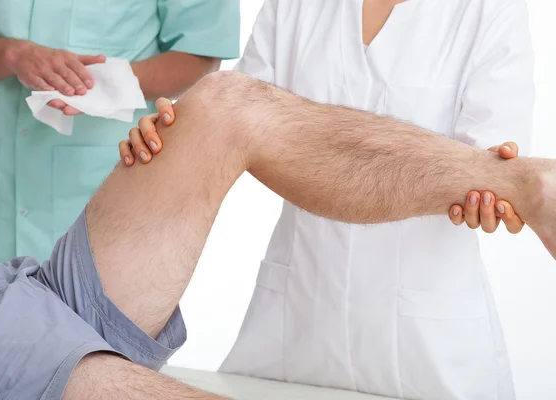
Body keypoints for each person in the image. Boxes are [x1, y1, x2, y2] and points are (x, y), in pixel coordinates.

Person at [0, 71, 555, 400]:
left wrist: (165, 117)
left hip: (19, 292)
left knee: (226, 103)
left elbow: (255, 95)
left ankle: (536, 184)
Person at [181, 1, 533, 399]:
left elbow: (494, 170)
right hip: (300, 316)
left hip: (428, 337)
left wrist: (301, 147)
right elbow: (234, 122)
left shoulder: (488, 9)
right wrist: (173, 131)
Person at [0, 0, 240, 267]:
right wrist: (11, 55)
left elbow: (201, 52)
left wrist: (102, 85)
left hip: (106, 194)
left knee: (94, 309)